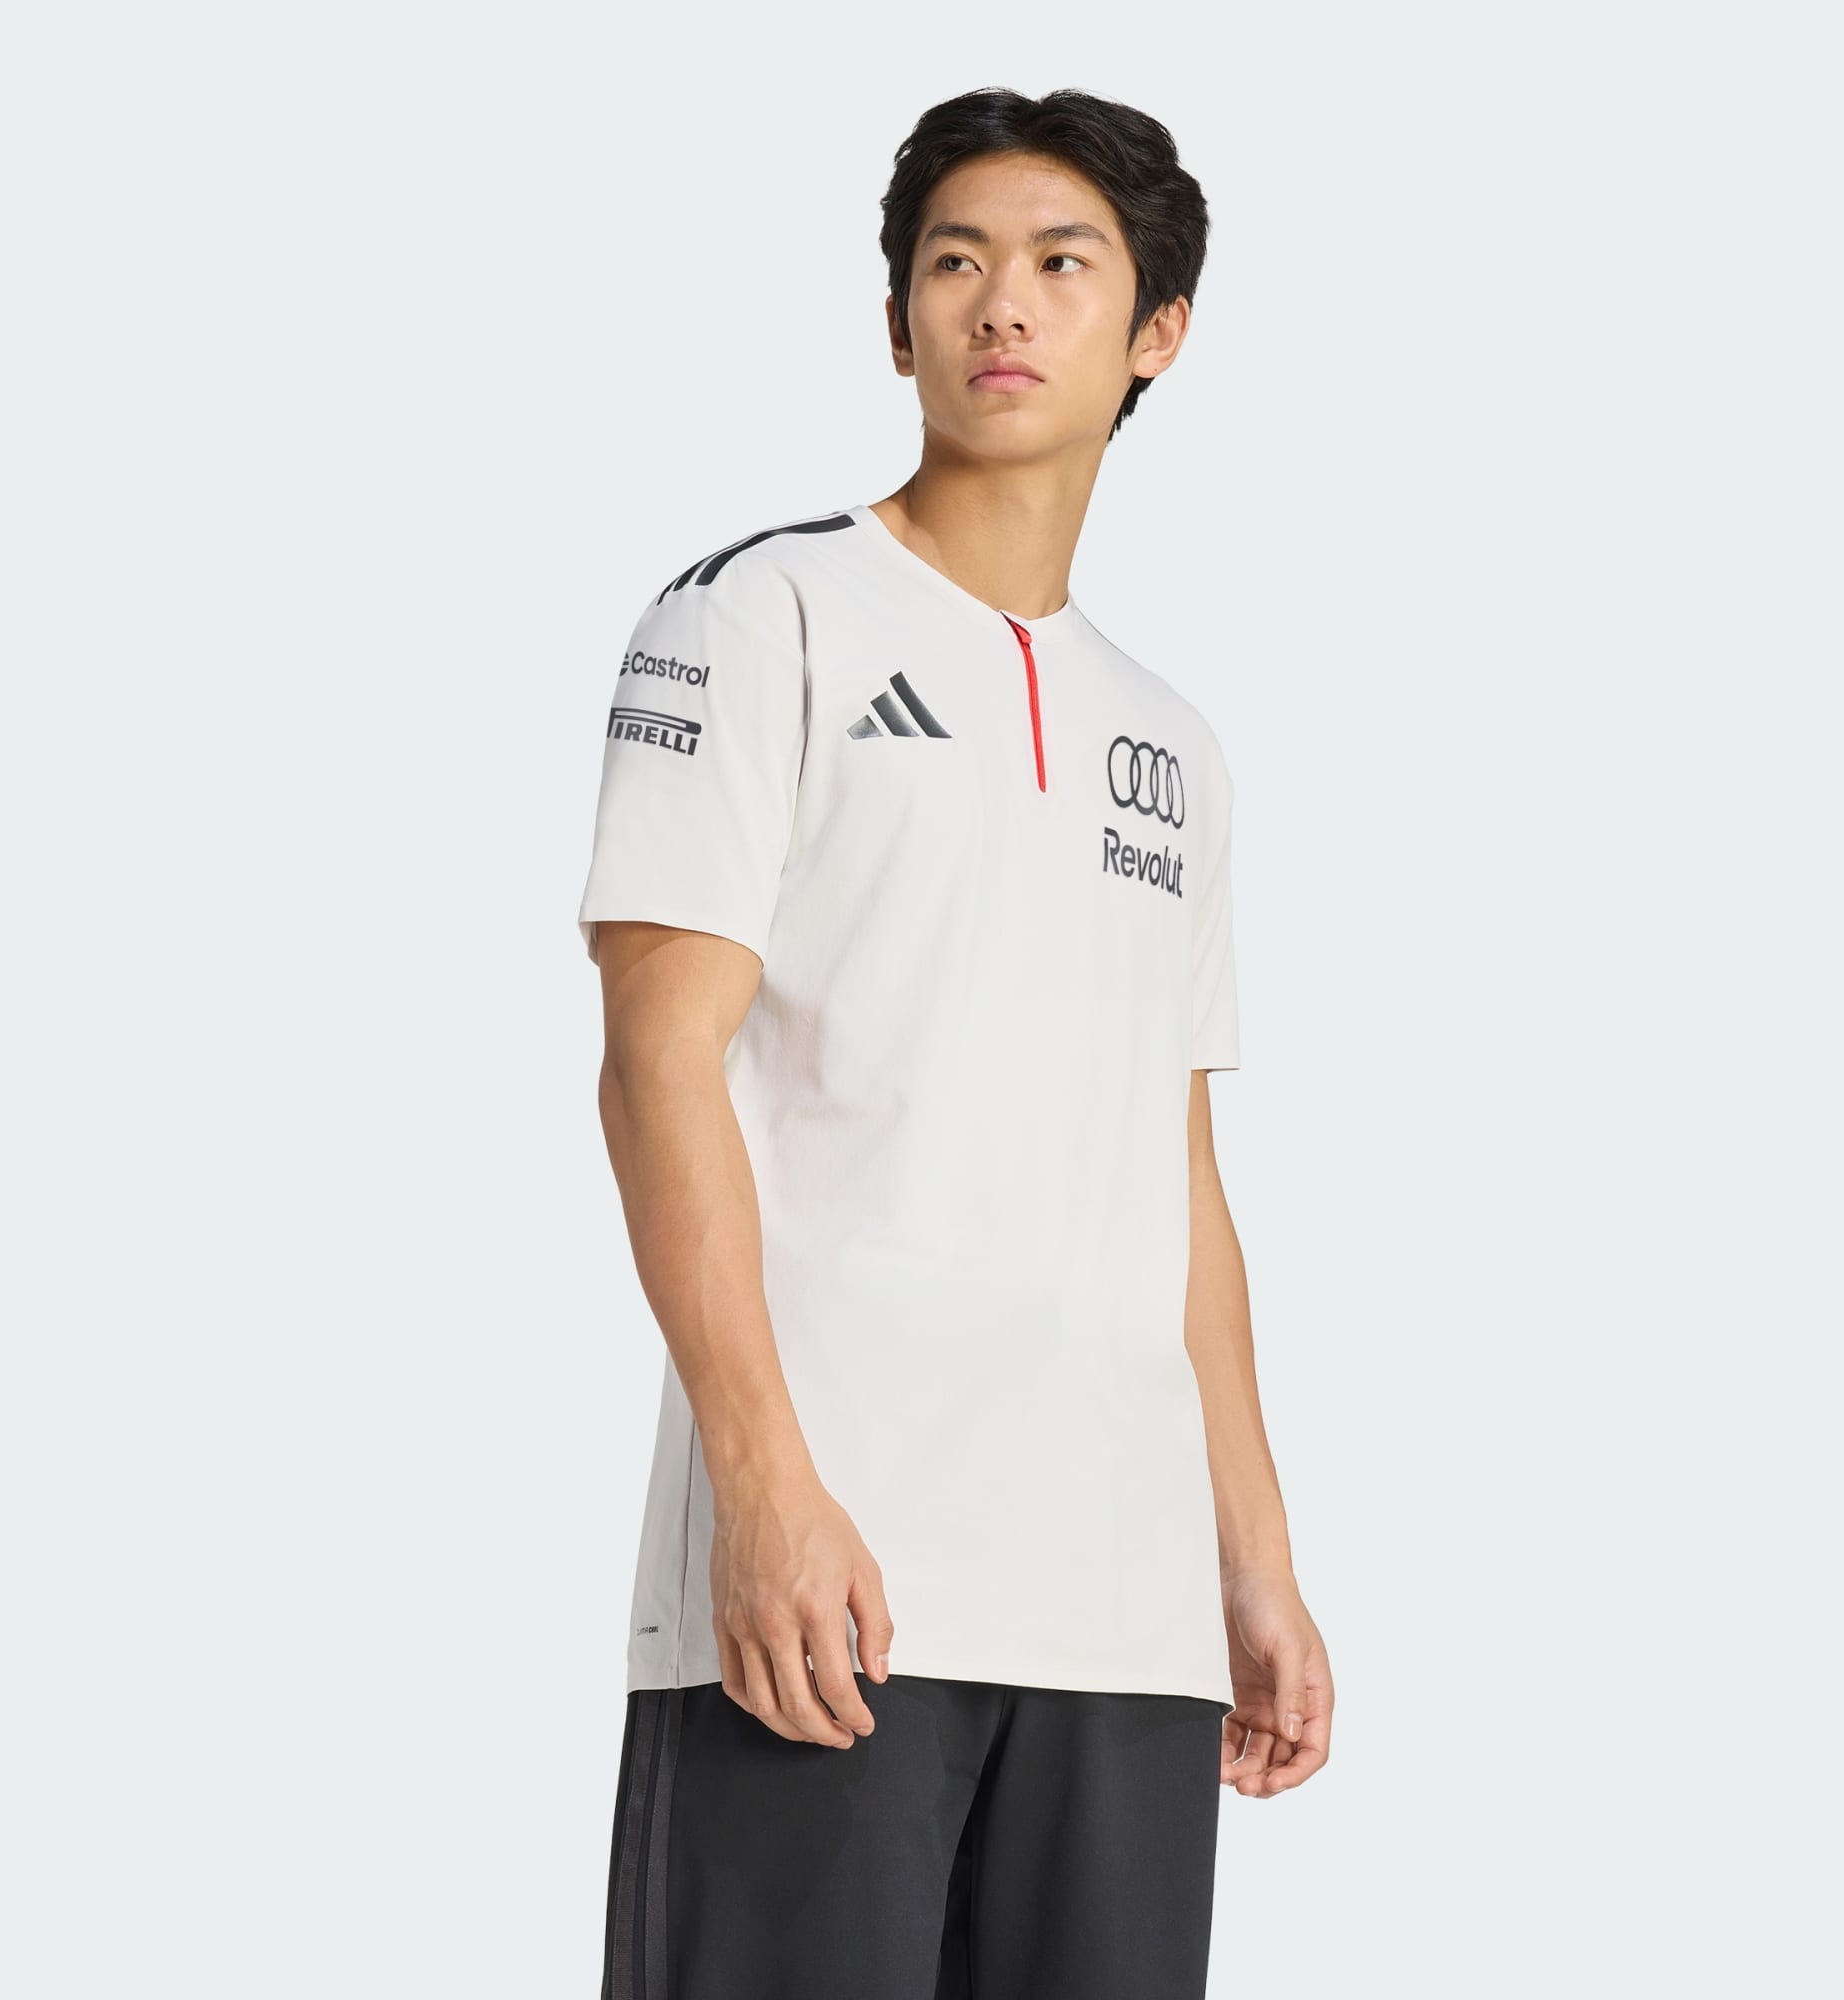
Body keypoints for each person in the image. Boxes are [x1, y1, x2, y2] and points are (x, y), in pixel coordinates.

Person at [578, 85, 1333, 2000]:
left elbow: (1176, 1177)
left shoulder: (1177, 743)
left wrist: (1252, 1555)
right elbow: (658, 1064)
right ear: (899, 318)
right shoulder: (757, 617)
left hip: (1125, 1622)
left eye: (1064, 264)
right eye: (956, 261)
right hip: (833, 1594)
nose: (1002, 301)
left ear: (1157, 330)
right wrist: (763, 1487)